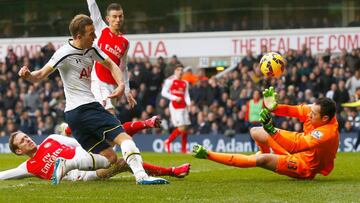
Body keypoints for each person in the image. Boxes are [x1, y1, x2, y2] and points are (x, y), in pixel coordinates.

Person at [18, 14, 167, 185]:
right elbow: (40, 75)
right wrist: (28, 75)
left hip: (73, 116)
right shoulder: (63, 53)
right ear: (79, 36)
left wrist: (120, 85)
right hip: (87, 108)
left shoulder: (92, 48)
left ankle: (67, 164)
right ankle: (142, 177)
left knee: (110, 157)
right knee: (124, 138)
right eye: (91, 34)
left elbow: (111, 64)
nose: (95, 37)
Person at [193, 87, 339, 180]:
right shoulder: (315, 111)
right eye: (310, 111)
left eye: (313, 114)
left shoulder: (327, 133)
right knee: (255, 131)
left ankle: (208, 154)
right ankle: (266, 153)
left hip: (305, 165)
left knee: (262, 160)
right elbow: (292, 110)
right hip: (299, 143)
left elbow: (296, 147)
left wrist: (272, 131)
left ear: (325, 118)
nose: (309, 115)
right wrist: (274, 107)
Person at [0, 131, 190, 182]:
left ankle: (138, 125)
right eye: (23, 142)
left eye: (26, 137)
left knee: (110, 139)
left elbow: (79, 142)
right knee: (122, 163)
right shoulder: (29, 167)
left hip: (86, 155)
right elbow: (4, 175)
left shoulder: (51, 140)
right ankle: (171, 171)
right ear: (18, 151)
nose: (28, 140)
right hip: (83, 176)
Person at [86, 0, 136, 115]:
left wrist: (127, 91)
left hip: (113, 86)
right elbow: (92, 6)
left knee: (103, 121)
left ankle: (68, 128)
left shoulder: (125, 42)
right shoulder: (101, 29)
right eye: (114, 17)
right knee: (110, 115)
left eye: (120, 16)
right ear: (108, 18)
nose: (118, 20)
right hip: (98, 81)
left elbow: (123, 67)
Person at [161, 64, 191, 153]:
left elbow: (186, 95)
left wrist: (189, 103)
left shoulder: (185, 83)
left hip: (183, 106)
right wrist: (174, 97)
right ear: (175, 71)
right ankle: (167, 142)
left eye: (181, 70)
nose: (180, 72)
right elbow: (163, 93)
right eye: (178, 70)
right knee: (181, 127)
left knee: (185, 127)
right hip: (175, 106)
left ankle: (184, 149)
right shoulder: (169, 81)